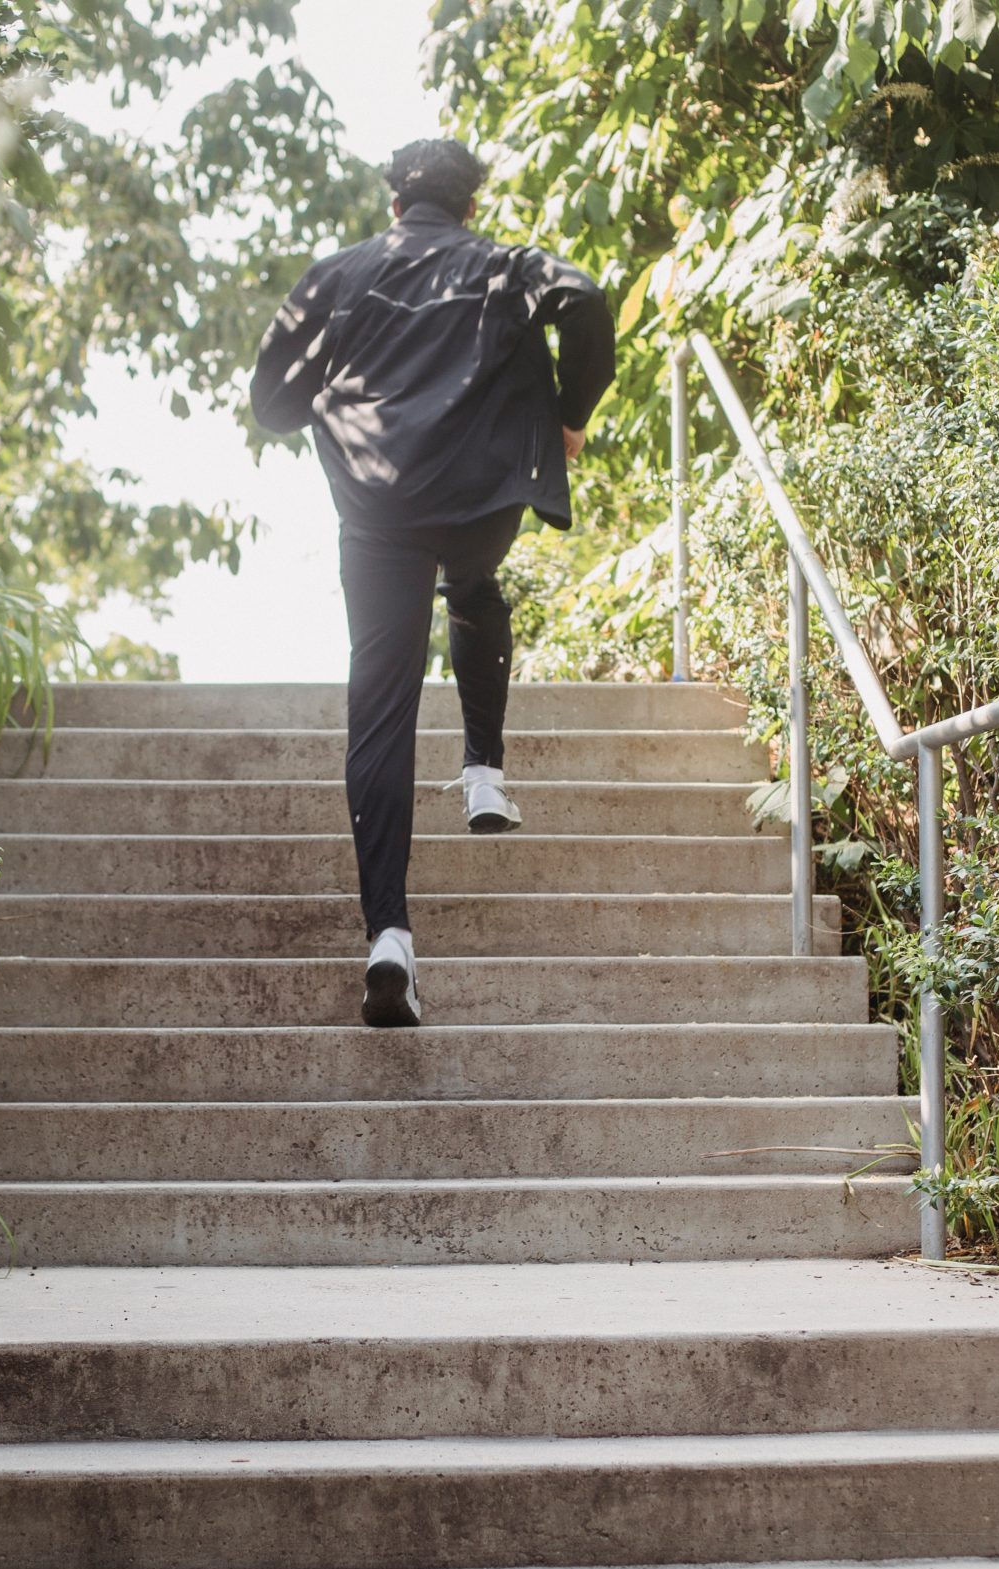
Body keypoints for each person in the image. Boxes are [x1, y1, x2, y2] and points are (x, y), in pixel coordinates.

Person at [249, 138, 616, 1028]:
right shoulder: (506, 264)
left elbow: (270, 400)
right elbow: (589, 302)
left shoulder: (339, 274)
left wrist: (318, 398)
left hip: (378, 512)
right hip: (480, 496)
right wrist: (567, 417)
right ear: (471, 204)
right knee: (477, 581)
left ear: (393, 206)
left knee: (380, 704)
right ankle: (484, 767)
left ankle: (389, 936)